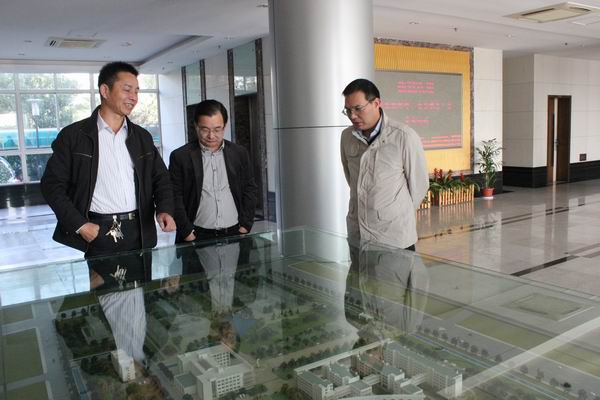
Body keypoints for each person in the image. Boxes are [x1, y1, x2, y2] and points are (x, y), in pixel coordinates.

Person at [41, 61, 175, 257]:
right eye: (127, 90)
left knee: (142, 277)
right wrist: (80, 225)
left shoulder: (142, 137)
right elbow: (51, 185)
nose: (134, 97)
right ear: (105, 90)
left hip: (140, 228)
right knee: (103, 278)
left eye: (136, 91)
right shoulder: (74, 136)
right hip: (98, 229)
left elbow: (161, 179)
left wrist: (164, 209)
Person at [340, 78, 428, 250]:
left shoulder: (403, 136)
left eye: (358, 108)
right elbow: (351, 179)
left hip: (394, 237)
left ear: (376, 103)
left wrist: (393, 214)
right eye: (348, 110)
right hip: (358, 234)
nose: (352, 116)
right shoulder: (347, 137)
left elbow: (419, 186)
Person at [169, 99, 257, 243]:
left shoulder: (239, 153)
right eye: (205, 129)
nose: (211, 136)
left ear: (224, 126)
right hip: (196, 235)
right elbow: (174, 196)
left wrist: (245, 226)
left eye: (217, 129)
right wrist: (187, 233)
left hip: (235, 232)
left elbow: (249, 188)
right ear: (196, 126)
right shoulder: (180, 157)